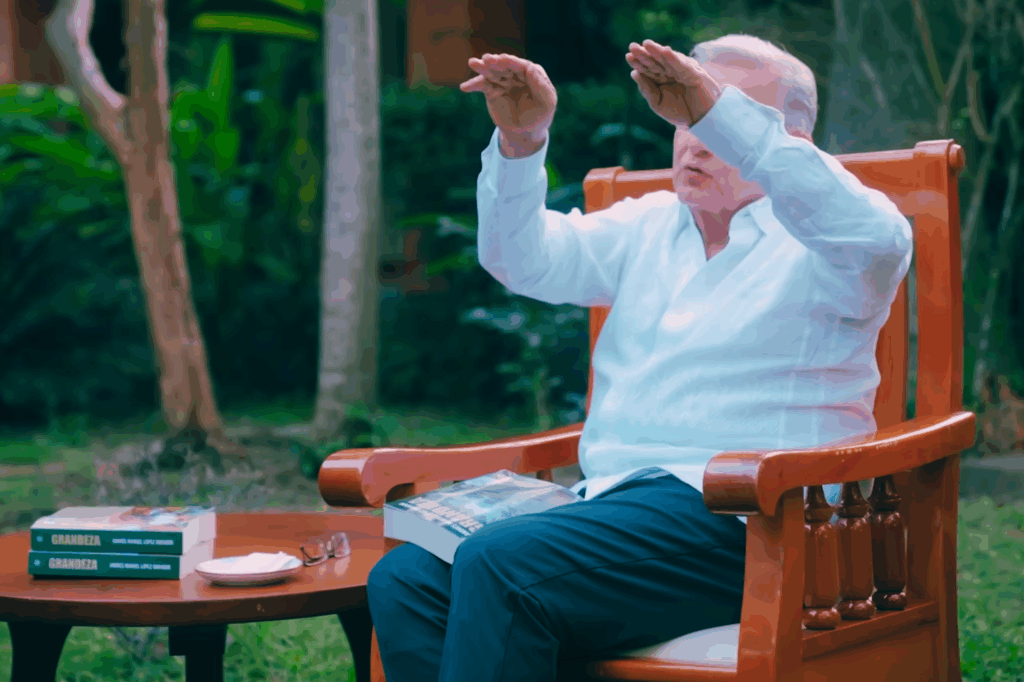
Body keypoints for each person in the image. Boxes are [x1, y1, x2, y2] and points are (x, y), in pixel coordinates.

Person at [367, 34, 912, 682]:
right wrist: (521, 147)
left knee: (499, 564)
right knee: (407, 578)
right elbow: (521, 259)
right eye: (686, 115)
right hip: (615, 508)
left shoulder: (835, 250)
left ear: (791, 142)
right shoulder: (649, 225)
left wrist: (720, 112)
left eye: (721, 117)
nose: (697, 137)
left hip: (758, 523)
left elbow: (879, 236)